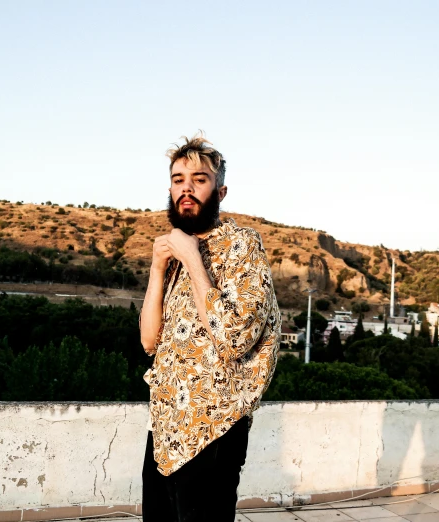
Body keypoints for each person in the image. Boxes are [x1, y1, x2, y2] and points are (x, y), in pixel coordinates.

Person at [139, 132, 281, 521]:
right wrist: (157, 268)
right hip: (165, 425)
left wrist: (193, 260)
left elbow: (234, 338)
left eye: (199, 180)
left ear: (220, 192)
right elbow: (149, 341)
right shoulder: (172, 255)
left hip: (214, 428)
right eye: (178, 179)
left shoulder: (242, 246)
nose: (186, 189)